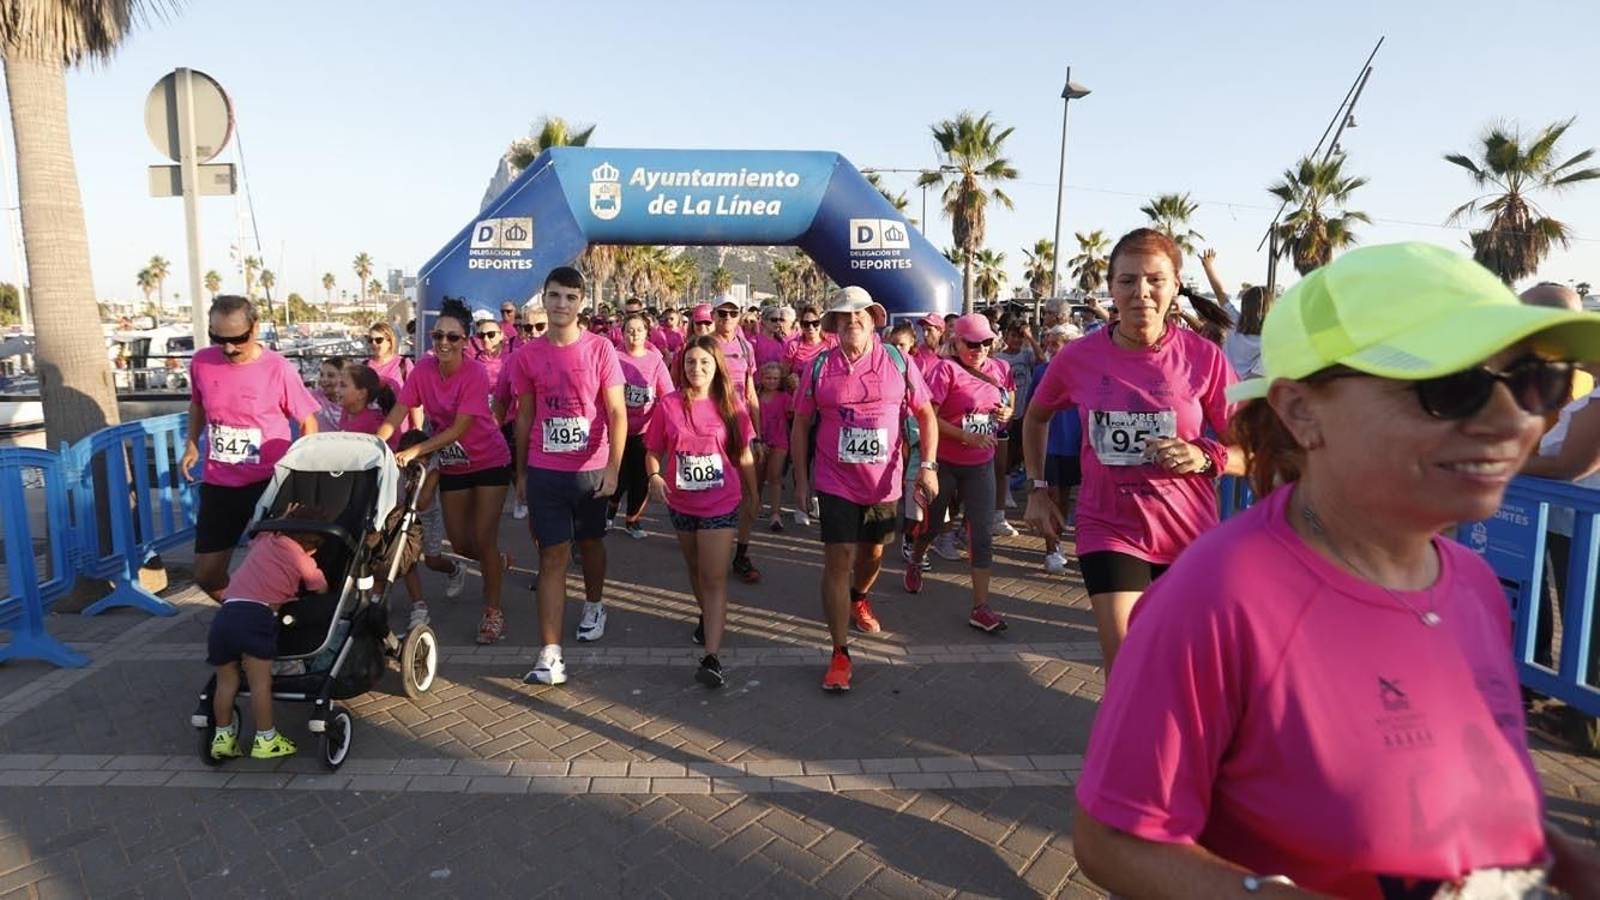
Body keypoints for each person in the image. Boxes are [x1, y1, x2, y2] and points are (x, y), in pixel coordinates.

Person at [1073, 242, 1600, 899]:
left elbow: (1469, 792)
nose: (1510, 420)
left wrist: (1556, 862)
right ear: (1301, 411)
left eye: (1533, 382)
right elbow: (1112, 841)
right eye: (1451, 387)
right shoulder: (1217, 597)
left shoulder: (1474, 584)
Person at [1021, 228, 1240, 671]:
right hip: (1108, 527)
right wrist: (1037, 489)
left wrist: (1206, 456)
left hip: (1188, 534)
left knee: (1182, 668)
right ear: (1111, 288)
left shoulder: (1204, 357)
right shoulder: (1077, 357)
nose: (1141, 292)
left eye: (1155, 280)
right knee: (1127, 665)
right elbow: (1035, 418)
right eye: (1127, 280)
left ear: (1175, 286)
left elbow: (1251, 451)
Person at [791, 286, 939, 692]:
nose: (852, 319)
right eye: (844, 314)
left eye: (861, 313)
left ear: (874, 320)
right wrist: (801, 481)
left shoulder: (898, 360)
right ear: (835, 324)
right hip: (834, 478)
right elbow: (801, 423)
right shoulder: (819, 365)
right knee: (838, 559)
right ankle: (839, 653)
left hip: (884, 481)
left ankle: (859, 595)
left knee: (872, 553)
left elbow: (925, 414)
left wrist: (928, 466)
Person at [511, 266, 627, 686]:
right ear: (544, 299)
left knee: (591, 543)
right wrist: (521, 472)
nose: (561, 304)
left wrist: (613, 469)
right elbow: (525, 417)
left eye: (570, 297)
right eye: (555, 295)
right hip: (545, 469)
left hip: (592, 469)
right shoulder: (526, 355)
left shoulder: (600, 349)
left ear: (581, 303)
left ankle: (594, 603)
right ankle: (551, 653)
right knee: (551, 556)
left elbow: (617, 412)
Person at [378, 297, 513, 645]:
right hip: (453, 464)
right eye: (438, 335)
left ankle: (493, 613)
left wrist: (415, 450)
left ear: (465, 340)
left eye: (453, 337)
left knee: (483, 537)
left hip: (489, 461)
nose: (444, 343)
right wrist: (376, 446)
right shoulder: (423, 370)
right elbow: (398, 411)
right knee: (463, 544)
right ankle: (495, 562)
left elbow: (459, 429)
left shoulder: (474, 373)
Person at [181, 296, 321, 600]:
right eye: (219, 339)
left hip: (270, 484)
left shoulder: (278, 368)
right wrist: (192, 444)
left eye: (238, 339)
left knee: (283, 568)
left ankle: (278, 620)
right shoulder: (202, 362)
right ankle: (245, 612)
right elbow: (197, 404)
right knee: (206, 574)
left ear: (255, 328)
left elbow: (308, 422)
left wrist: (299, 474)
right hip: (219, 483)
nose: (229, 348)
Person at [645, 336, 759, 688]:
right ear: (682, 366)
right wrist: (653, 476)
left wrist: (754, 494)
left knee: (714, 577)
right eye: (691, 362)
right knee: (696, 569)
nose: (697, 368)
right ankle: (708, 615)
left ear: (717, 367)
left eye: (705, 362)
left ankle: (712, 657)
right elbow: (653, 450)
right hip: (681, 503)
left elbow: (743, 454)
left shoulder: (731, 403)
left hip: (721, 502)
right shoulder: (668, 404)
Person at [904, 314, 1013, 633]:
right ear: (957, 342)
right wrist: (965, 436)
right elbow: (928, 419)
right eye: (972, 343)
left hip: (980, 464)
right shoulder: (945, 370)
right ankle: (916, 558)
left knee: (981, 534)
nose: (980, 349)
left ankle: (981, 607)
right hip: (945, 462)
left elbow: (1006, 409)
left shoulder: (1000, 369)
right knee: (931, 527)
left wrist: (1005, 414)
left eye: (986, 342)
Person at [206, 502, 332, 761]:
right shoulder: (302, 558)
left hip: (225, 615)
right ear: (314, 544)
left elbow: (260, 533)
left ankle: (222, 738)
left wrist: (282, 518)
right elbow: (319, 587)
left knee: (226, 682)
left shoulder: (266, 541)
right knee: (260, 683)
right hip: (256, 617)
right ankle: (266, 739)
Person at [710, 296, 764, 583]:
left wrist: (759, 434)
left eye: (733, 313)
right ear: (714, 314)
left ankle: (741, 554)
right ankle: (712, 550)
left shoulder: (746, 347)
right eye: (723, 313)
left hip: (742, 429)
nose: (728, 318)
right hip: (713, 430)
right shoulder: (704, 345)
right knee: (716, 494)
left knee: (752, 496)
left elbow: (751, 393)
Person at [610, 312, 673, 538]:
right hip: (615, 429)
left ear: (647, 333)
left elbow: (668, 394)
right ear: (622, 333)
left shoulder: (654, 360)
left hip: (645, 431)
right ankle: (609, 513)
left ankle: (633, 520)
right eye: (629, 330)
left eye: (639, 330)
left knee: (639, 478)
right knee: (618, 477)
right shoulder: (613, 356)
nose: (634, 334)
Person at [1034, 325, 1082, 576]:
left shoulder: (1087, 373)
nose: (1050, 349)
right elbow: (1032, 414)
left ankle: (1059, 541)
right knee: (1051, 495)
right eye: (1049, 343)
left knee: (1065, 497)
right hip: (1049, 445)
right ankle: (1051, 550)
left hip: (1076, 445)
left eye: (1056, 344)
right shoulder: (1041, 372)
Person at [991, 317, 1039, 537]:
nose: (1016, 341)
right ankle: (1006, 492)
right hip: (1006, 416)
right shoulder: (1000, 359)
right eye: (1013, 336)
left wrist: (1029, 337)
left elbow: (1042, 359)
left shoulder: (1026, 355)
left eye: (1020, 337)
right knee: (1007, 457)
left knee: (1024, 454)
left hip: (1024, 411)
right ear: (1006, 335)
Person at [1199, 248, 1272, 379]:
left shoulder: (1233, 320)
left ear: (1244, 306)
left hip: (1223, 379)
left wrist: (1208, 267)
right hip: (1243, 387)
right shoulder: (1269, 339)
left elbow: (1220, 293)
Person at [755, 361, 792, 532]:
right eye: (768, 378)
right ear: (762, 378)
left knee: (775, 476)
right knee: (758, 477)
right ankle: (755, 505)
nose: (771, 381)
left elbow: (793, 412)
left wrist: (796, 389)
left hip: (779, 440)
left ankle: (775, 513)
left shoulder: (784, 397)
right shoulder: (755, 396)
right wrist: (758, 441)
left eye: (775, 378)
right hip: (759, 440)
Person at [336, 362, 398, 449]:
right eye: (337, 385)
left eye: (343, 385)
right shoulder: (346, 412)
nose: (336, 390)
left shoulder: (371, 421)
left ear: (361, 394)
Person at [313, 357, 346, 432]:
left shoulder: (352, 402)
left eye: (331, 375)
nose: (323, 379)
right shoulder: (314, 396)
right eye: (321, 375)